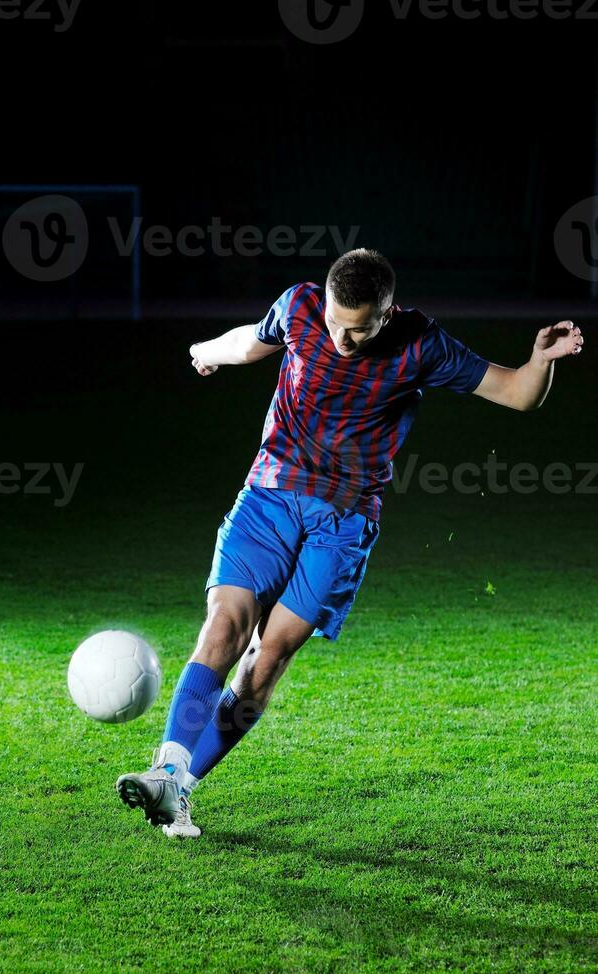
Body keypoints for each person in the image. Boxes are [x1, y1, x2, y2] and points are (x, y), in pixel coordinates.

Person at [116, 248, 584, 838]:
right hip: (269, 493)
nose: (341, 337)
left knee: (267, 660)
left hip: (343, 522)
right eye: (336, 323)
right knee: (225, 626)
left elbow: (517, 392)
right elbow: (248, 344)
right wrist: (205, 352)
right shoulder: (300, 307)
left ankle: (179, 789)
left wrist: (541, 360)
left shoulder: (421, 344)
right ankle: (168, 769)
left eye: (358, 328)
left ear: (386, 314)